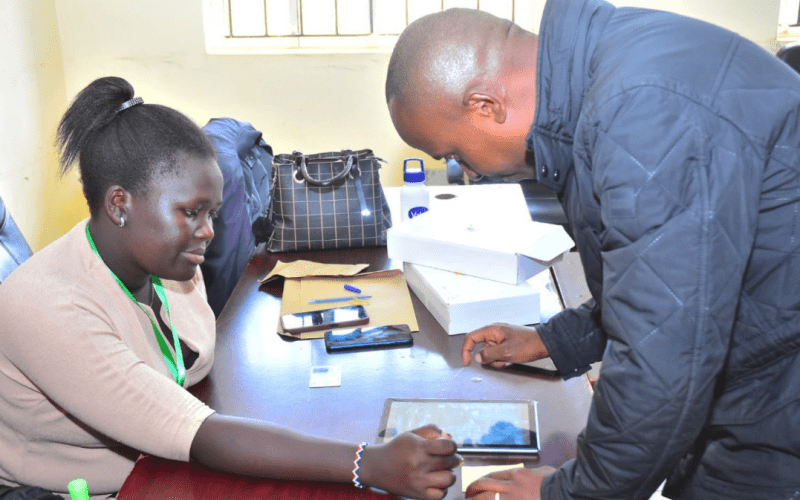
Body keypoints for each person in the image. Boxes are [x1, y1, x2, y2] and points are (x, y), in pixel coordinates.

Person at [386, 2, 800, 499]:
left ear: (485, 105)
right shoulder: (602, 73)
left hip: (775, 404)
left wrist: (563, 493)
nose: (468, 171)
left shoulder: (640, 113)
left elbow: (663, 357)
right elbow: (667, 286)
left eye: (454, 153)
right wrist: (556, 341)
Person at [0, 76, 459, 500]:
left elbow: (190, 389)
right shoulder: (48, 305)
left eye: (212, 213)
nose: (208, 232)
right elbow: (196, 431)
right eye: (191, 212)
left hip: (162, 461)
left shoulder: (165, 263)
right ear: (120, 204)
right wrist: (369, 463)